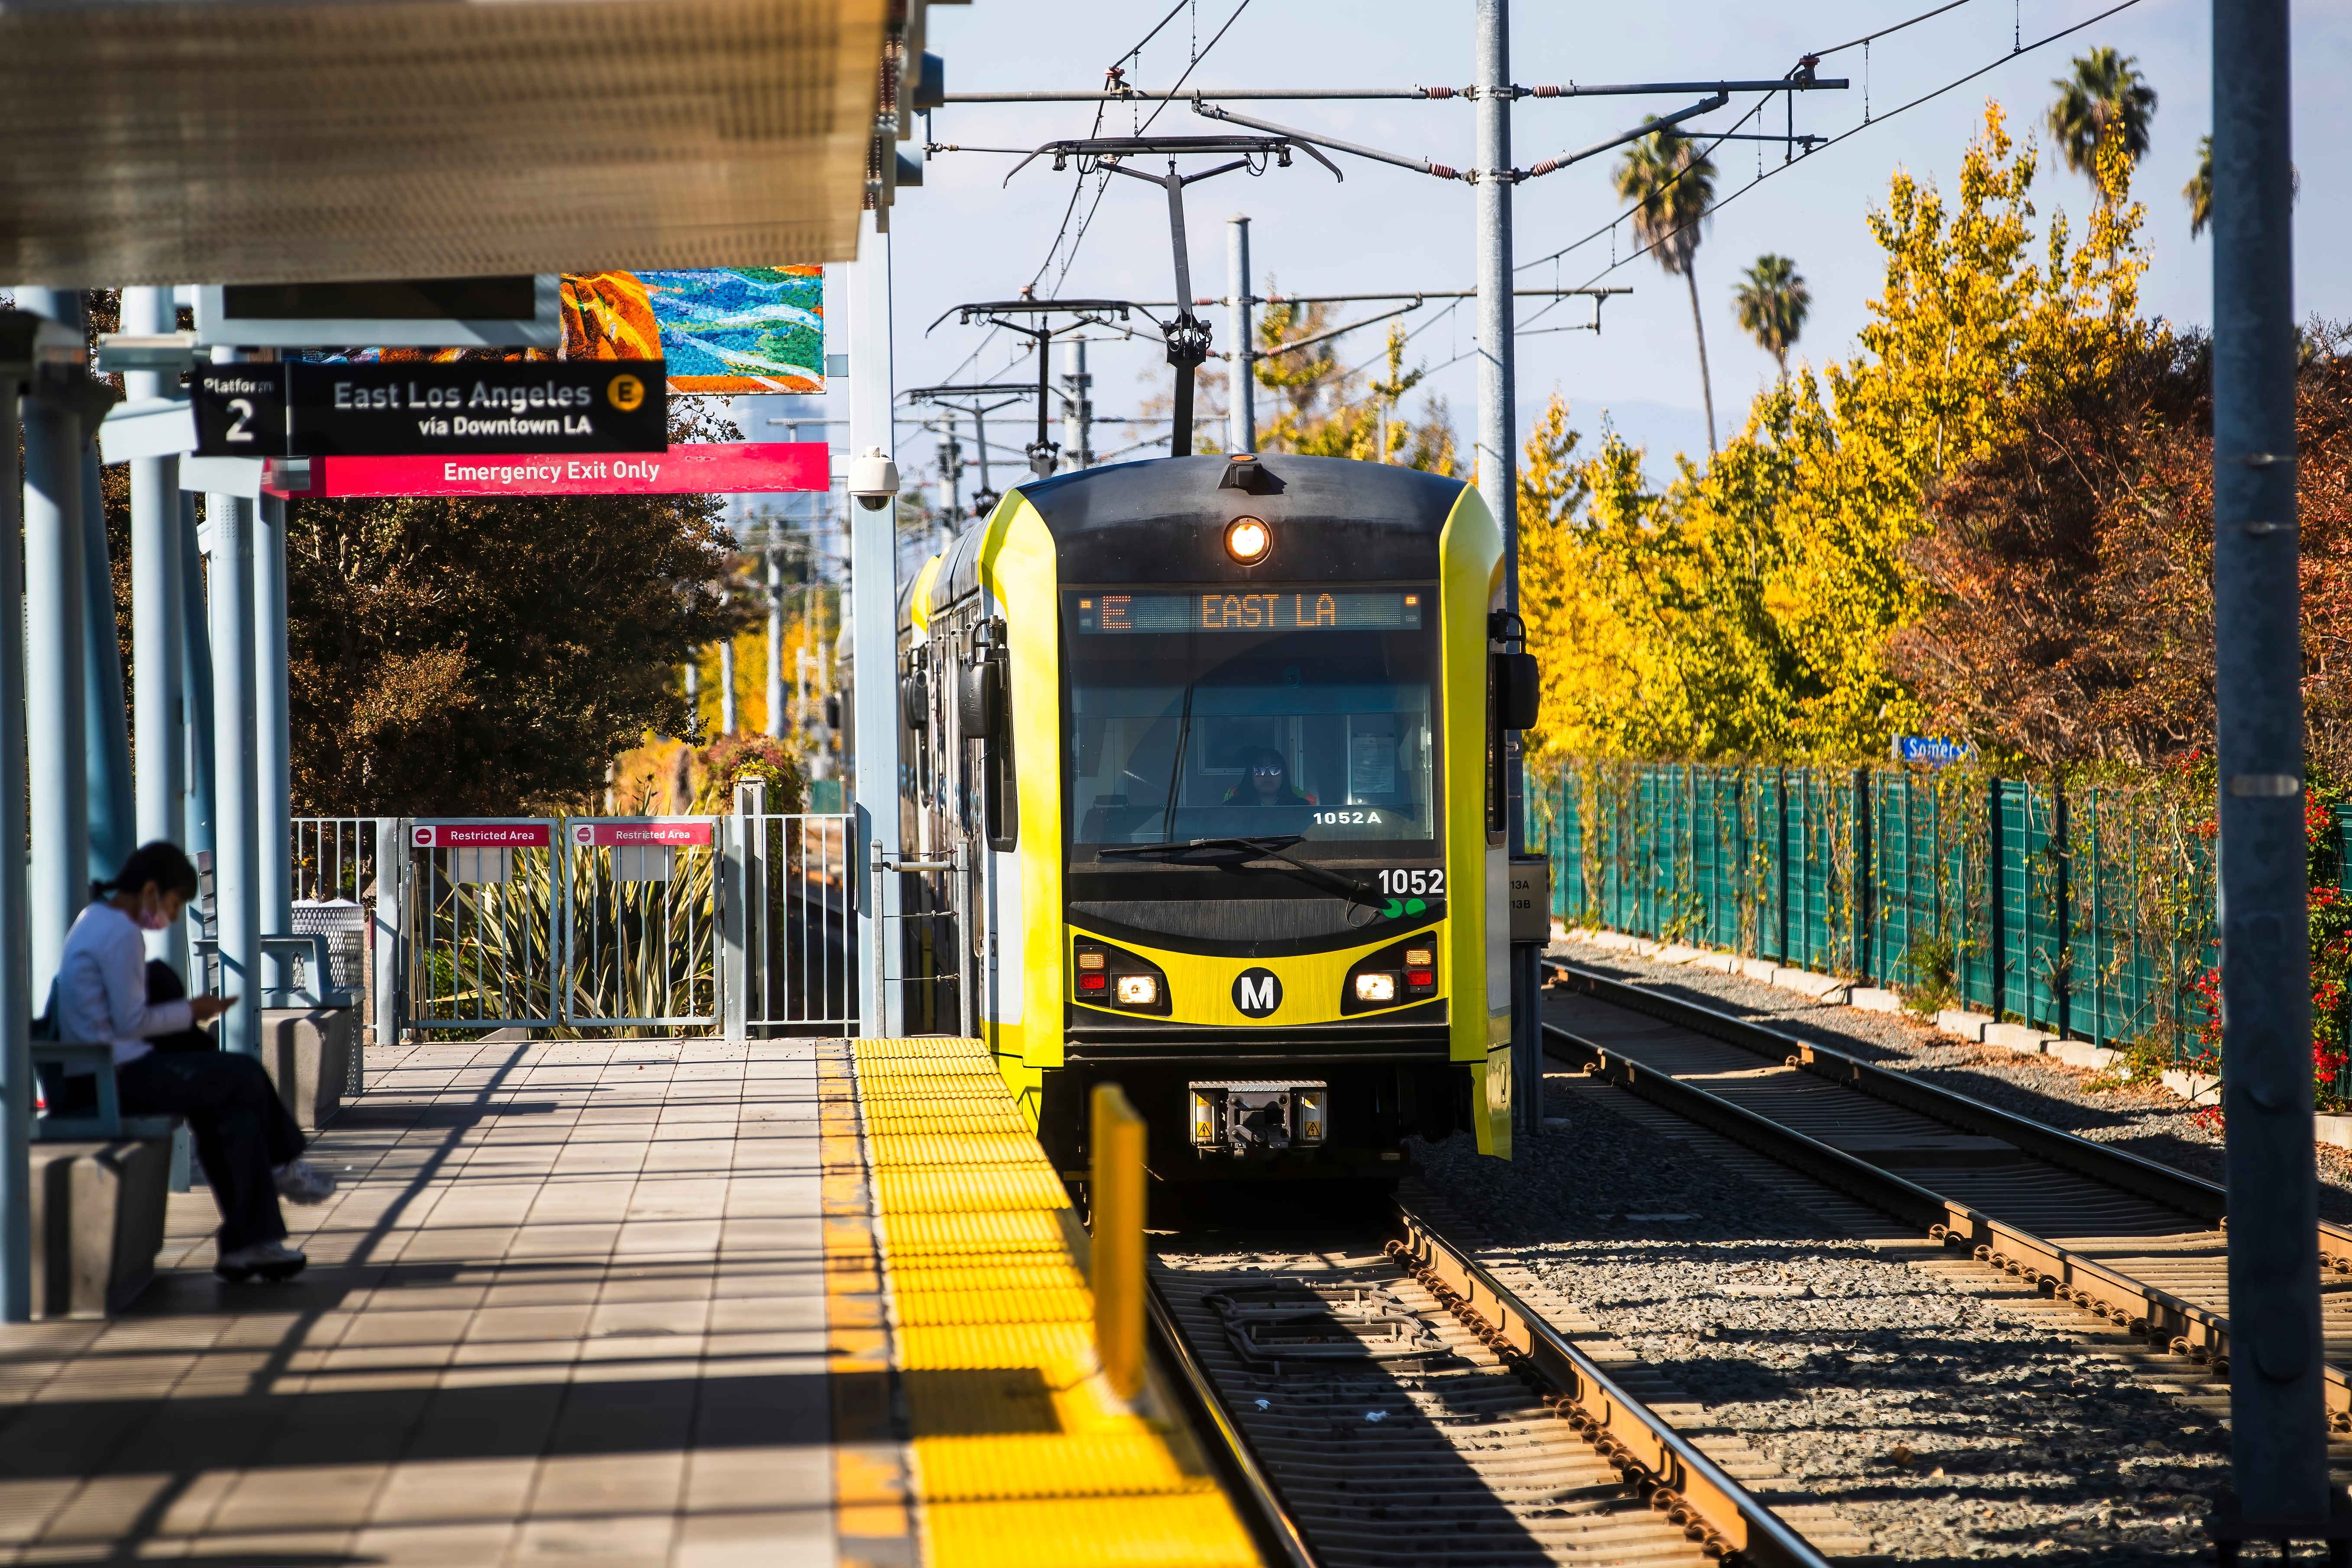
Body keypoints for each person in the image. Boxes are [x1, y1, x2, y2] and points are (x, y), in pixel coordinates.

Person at [55, 842, 337, 1282]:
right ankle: (282, 1167)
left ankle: (250, 1246)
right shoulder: (119, 932)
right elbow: (132, 1022)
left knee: (236, 1114)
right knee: (243, 1073)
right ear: (151, 890)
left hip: (105, 1069)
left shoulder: (95, 920)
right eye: (170, 904)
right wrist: (192, 1011)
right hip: (115, 1075)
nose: (167, 916)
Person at [1221, 747, 1316, 807]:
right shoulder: (1233, 808)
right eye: (1259, 770)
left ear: (1284, 775)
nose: (1267, 775)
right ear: (1250, 776)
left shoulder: (1301, 807)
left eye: (1275, 770)